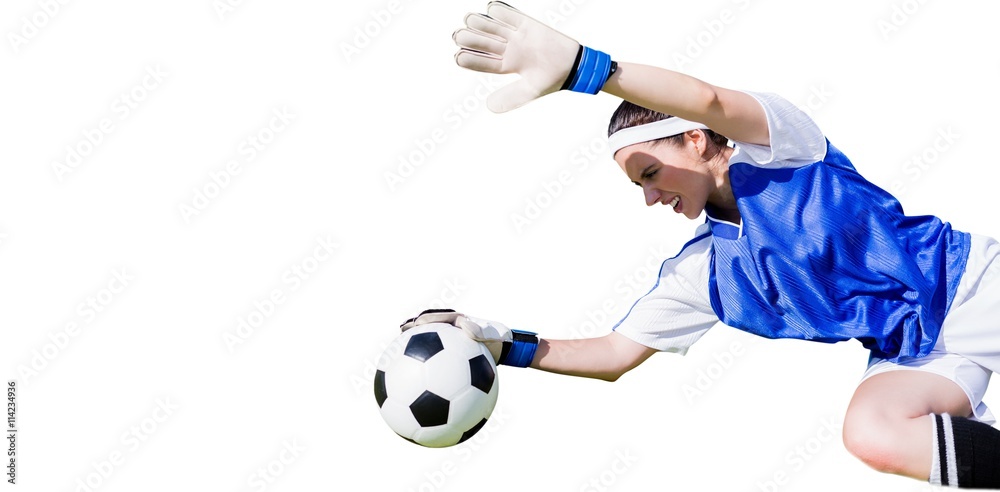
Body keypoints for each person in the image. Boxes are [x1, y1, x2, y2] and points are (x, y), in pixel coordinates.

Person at [401, 2, 1000, 487]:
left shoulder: (782, 150)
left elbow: (711, 100)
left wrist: (589, 69)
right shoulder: (705, 271)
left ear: (693, 140)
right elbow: (613, 355)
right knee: (870, 432)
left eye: (649, 174)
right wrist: (496, 341)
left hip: (970, 286)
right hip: (915, 356)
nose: (648, 198)